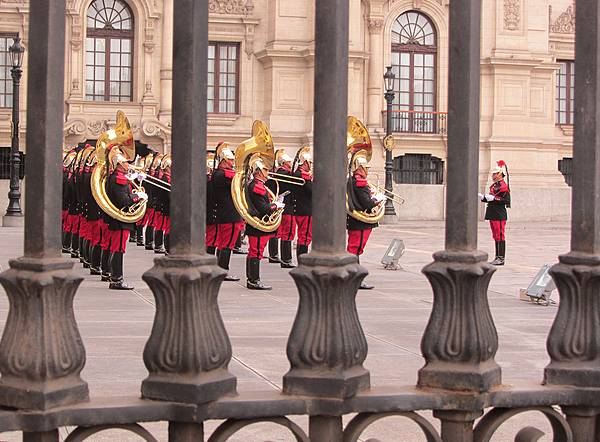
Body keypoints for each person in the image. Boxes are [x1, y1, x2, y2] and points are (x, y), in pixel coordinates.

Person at [105, 146, 148, 290]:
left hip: (119, 219)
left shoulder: (120, 178)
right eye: (125, 162)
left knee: (116, 248)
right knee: (118, 249)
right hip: (120, 219)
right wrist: (138, 196)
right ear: (119, 163)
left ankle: (114, 277)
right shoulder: (118, 179)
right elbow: (124, 201)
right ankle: (116, 279)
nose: (128, 164)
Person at [346, 155, 385, 290]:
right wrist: (377, 200)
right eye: (365, 168)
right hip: (361, 222)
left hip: (355, 220)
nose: (367, 170)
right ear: (360, 168)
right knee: (355, 249)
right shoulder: (360, 182)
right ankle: (354, 279)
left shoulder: (351, 180)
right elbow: (367, 203)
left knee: (354, 249)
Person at [245, 159, 283, 290]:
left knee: (254, 252)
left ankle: (251, 279)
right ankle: (253, 280)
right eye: (265, 170)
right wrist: (275, 205)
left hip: (256, 224)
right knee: (256, 252)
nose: (267, 173)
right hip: (258, 224)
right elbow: (264, 209)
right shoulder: (257, 186)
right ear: (259, 172)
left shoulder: (258, 185)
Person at [213, 142, 243, 281]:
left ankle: (220, 269)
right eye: (230, 160)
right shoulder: (222, 175)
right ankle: (223, 270)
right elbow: (239, 179)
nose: (232, 162)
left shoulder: (220, 174)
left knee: (223, 243)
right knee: (227, 244)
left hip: (225, 214)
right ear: (224, 161)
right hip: (229, 214)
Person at [479, 160, 511, 266]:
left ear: (500, 174)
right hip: (492, 213)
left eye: (494, 173)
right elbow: (491, 198)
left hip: (499, 214)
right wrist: (483, 198)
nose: (493, 175)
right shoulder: (494, 186)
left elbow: (505, 201)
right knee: (495, 236)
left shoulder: (504, 187)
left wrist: (494, 198)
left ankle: (501, 258)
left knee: (500, 236)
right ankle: (497, 257)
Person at [269, 151, 295, 267]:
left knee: (276, 231)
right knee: (288, 233)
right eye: (289, 162)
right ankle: (286, 259)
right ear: (284, 163)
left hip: (279, 205)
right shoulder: (286, 174)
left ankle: (273, 255)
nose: (291, 163)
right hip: (287, 206)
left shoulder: (275, 174)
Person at [293, 149, 313, 262]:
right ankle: (302, 262)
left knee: (302, 236)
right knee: (305, 237)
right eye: (309, 163)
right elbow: (313, 191)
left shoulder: (297, 174)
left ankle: (301, 261)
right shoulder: (303, 176)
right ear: (305, 162)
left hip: (300, 209)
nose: (310, 165)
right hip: (306, 210)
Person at [206, 152, 218, 255]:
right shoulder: (209, 183)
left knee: (212, 238)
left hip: (209, 213)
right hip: (211, 214)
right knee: (211, 238)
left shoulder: (208, 181)